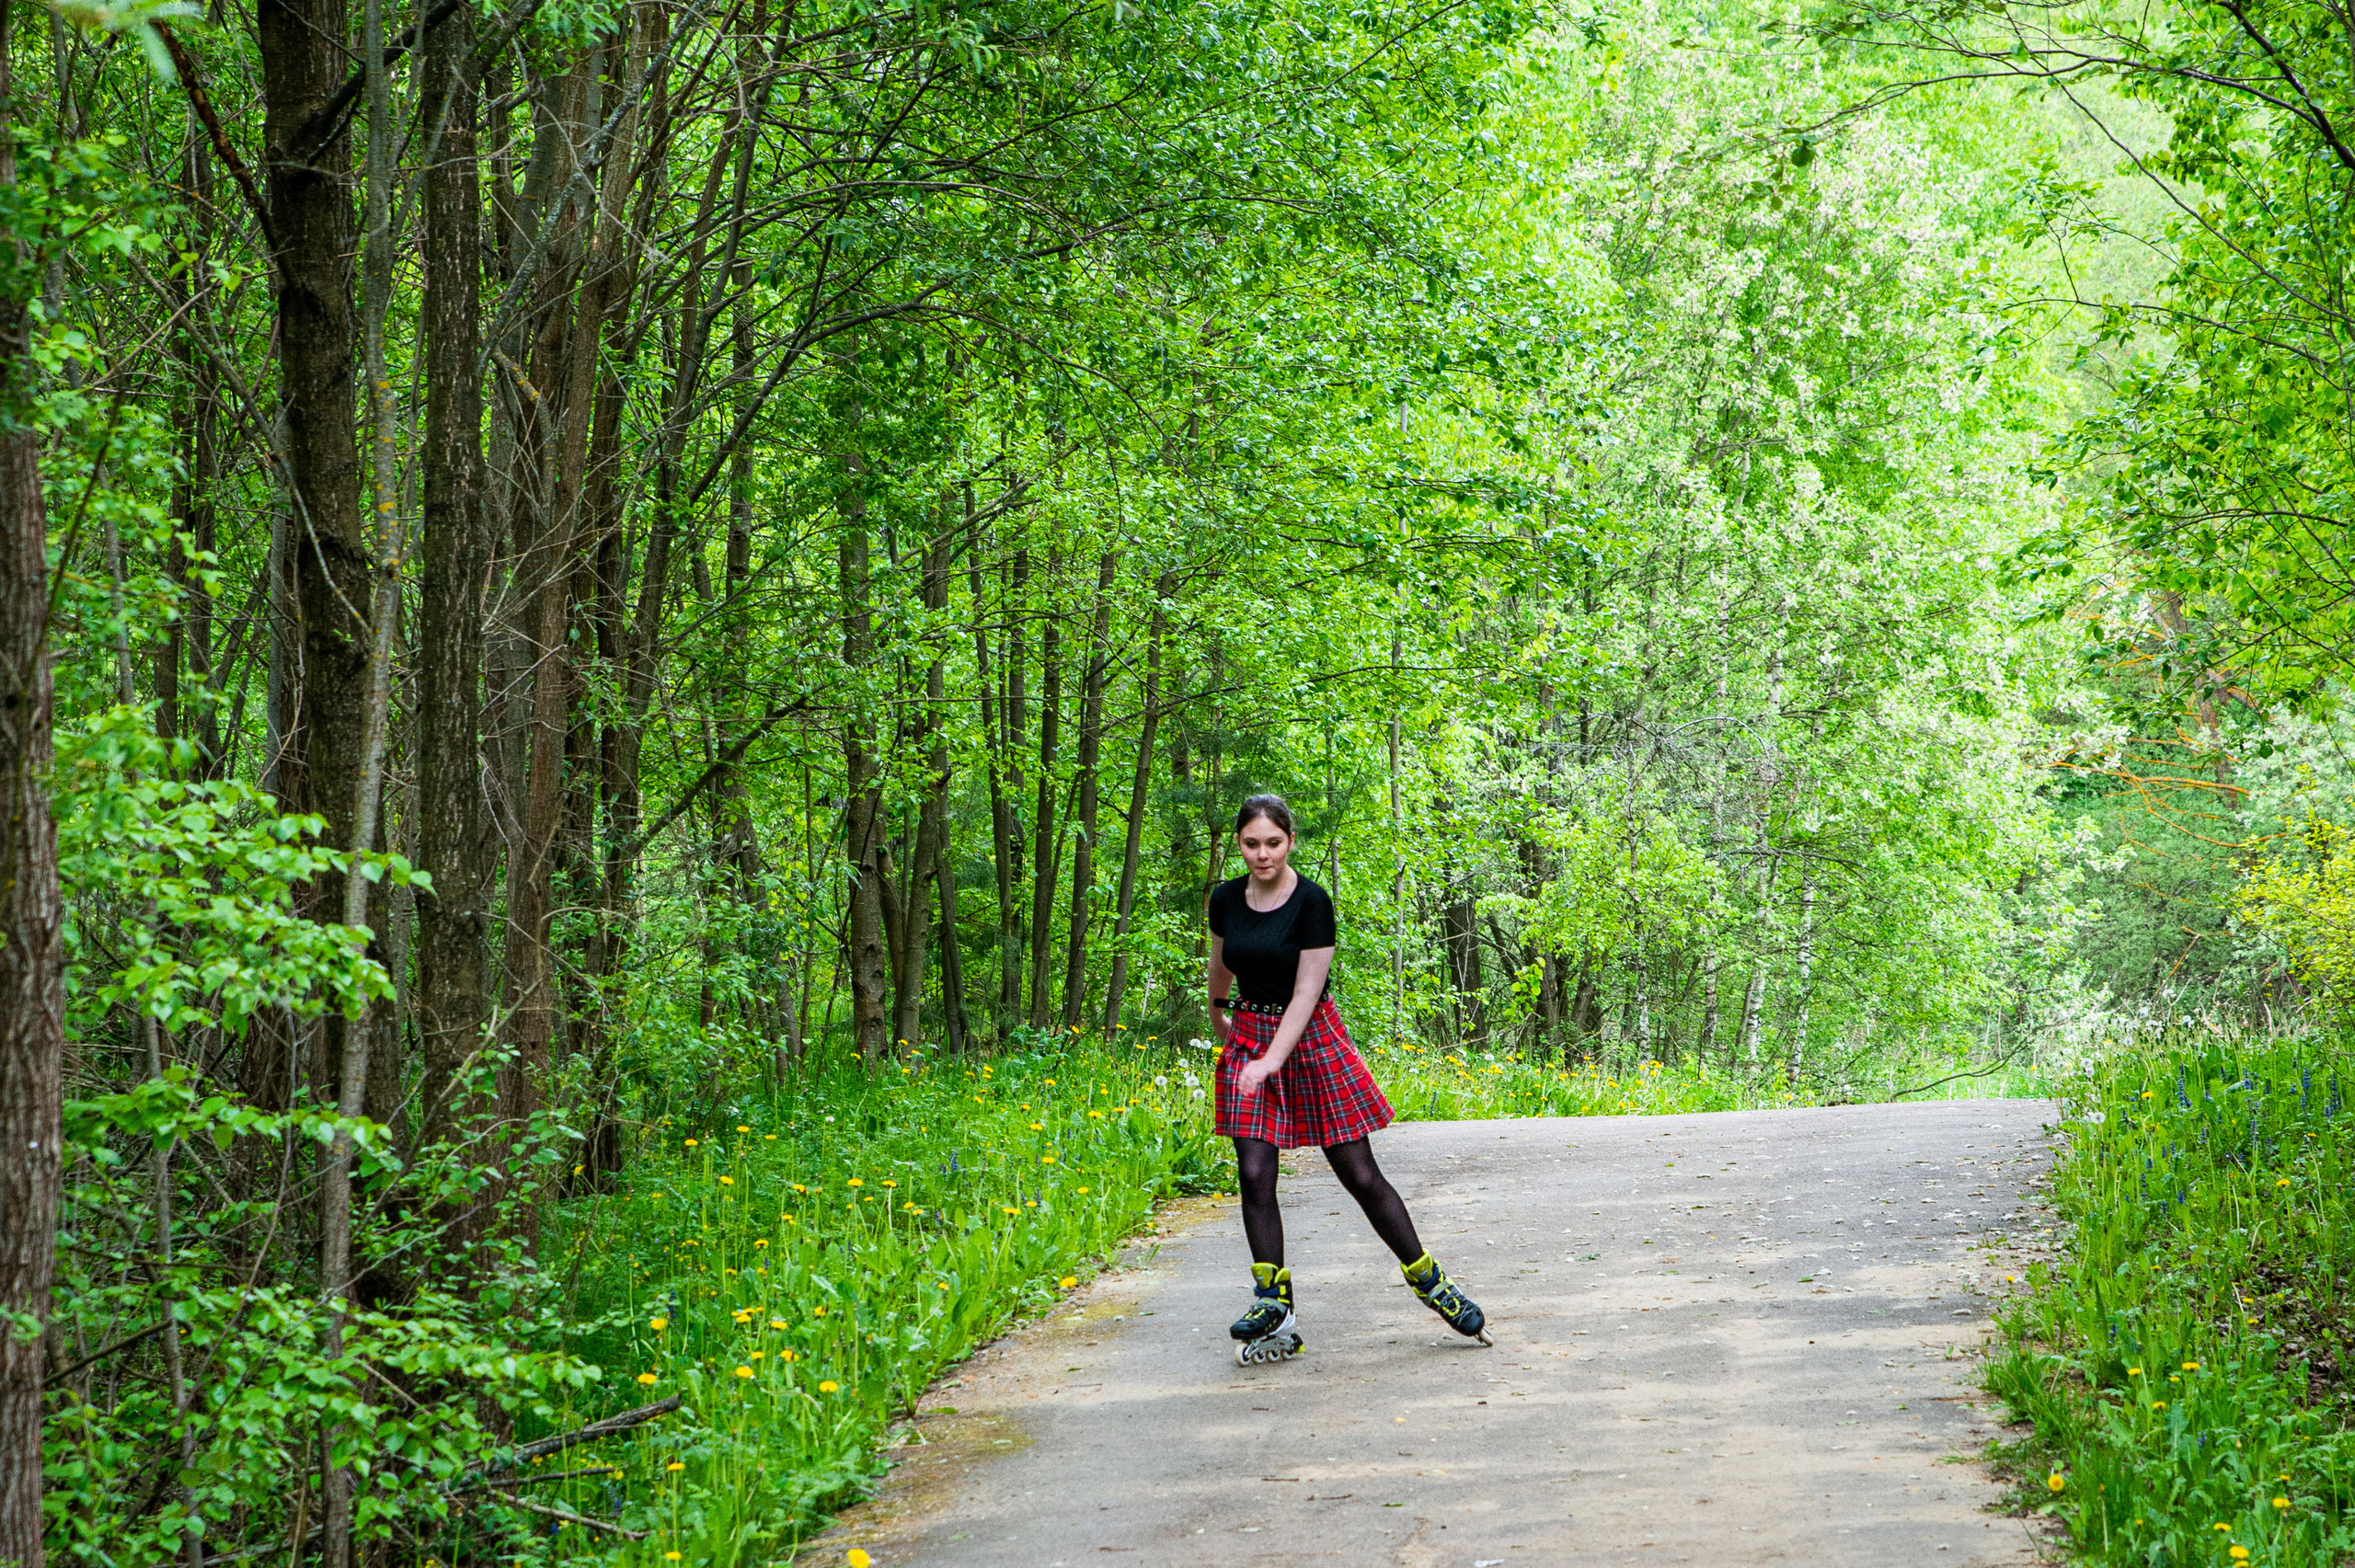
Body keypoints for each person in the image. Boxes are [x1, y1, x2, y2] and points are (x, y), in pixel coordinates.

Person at [1207, 793, 1488, 1365]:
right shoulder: (1224, 899)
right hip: (1251, 1038)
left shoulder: (1311, 901)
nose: (1262, 855)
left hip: (1309, 1039)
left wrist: (1269, 1062)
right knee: (1254, 1170)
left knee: (1359, 1174)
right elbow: (1222, 962)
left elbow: (1307, 993)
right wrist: (1218, 1012)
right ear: (1238, 844)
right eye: (1251, 844)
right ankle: (1273, 1301)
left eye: (1273, 843)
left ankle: (1430, 1280)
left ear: (1290, 842)